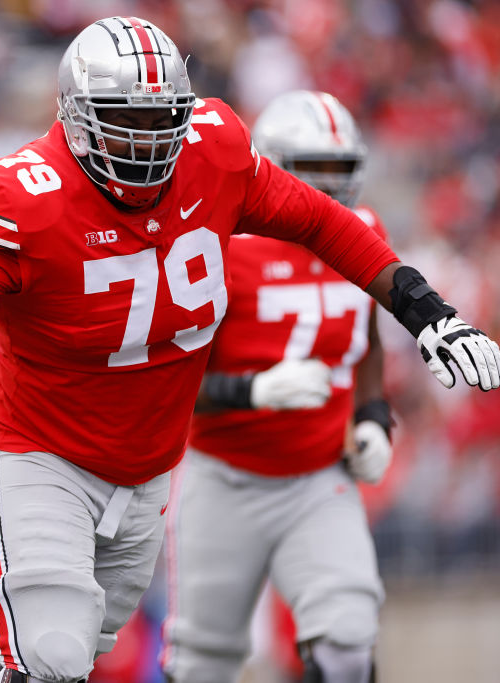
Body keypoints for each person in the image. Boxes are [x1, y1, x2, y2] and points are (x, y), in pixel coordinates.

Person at [0, 17, 500, 683]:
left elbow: (321, 221)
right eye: (125, 120)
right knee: (50, 654)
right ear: (75, 118)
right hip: (41, 454)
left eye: (163, 117)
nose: (148, 137)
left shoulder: (211, 152)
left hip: (147, 471)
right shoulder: (22, 199)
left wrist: (428, 313)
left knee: (66, 660)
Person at [160, 90, 394, 683]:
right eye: (312, 171)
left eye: (340, 171)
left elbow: (366, 334)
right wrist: (253, 392)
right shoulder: (221, 246)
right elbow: (169, 381)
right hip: (224, 476)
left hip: (319, 478)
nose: (329, 189)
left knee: (347, 641)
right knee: (202, 663)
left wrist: (372, 415)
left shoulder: (363, 229)